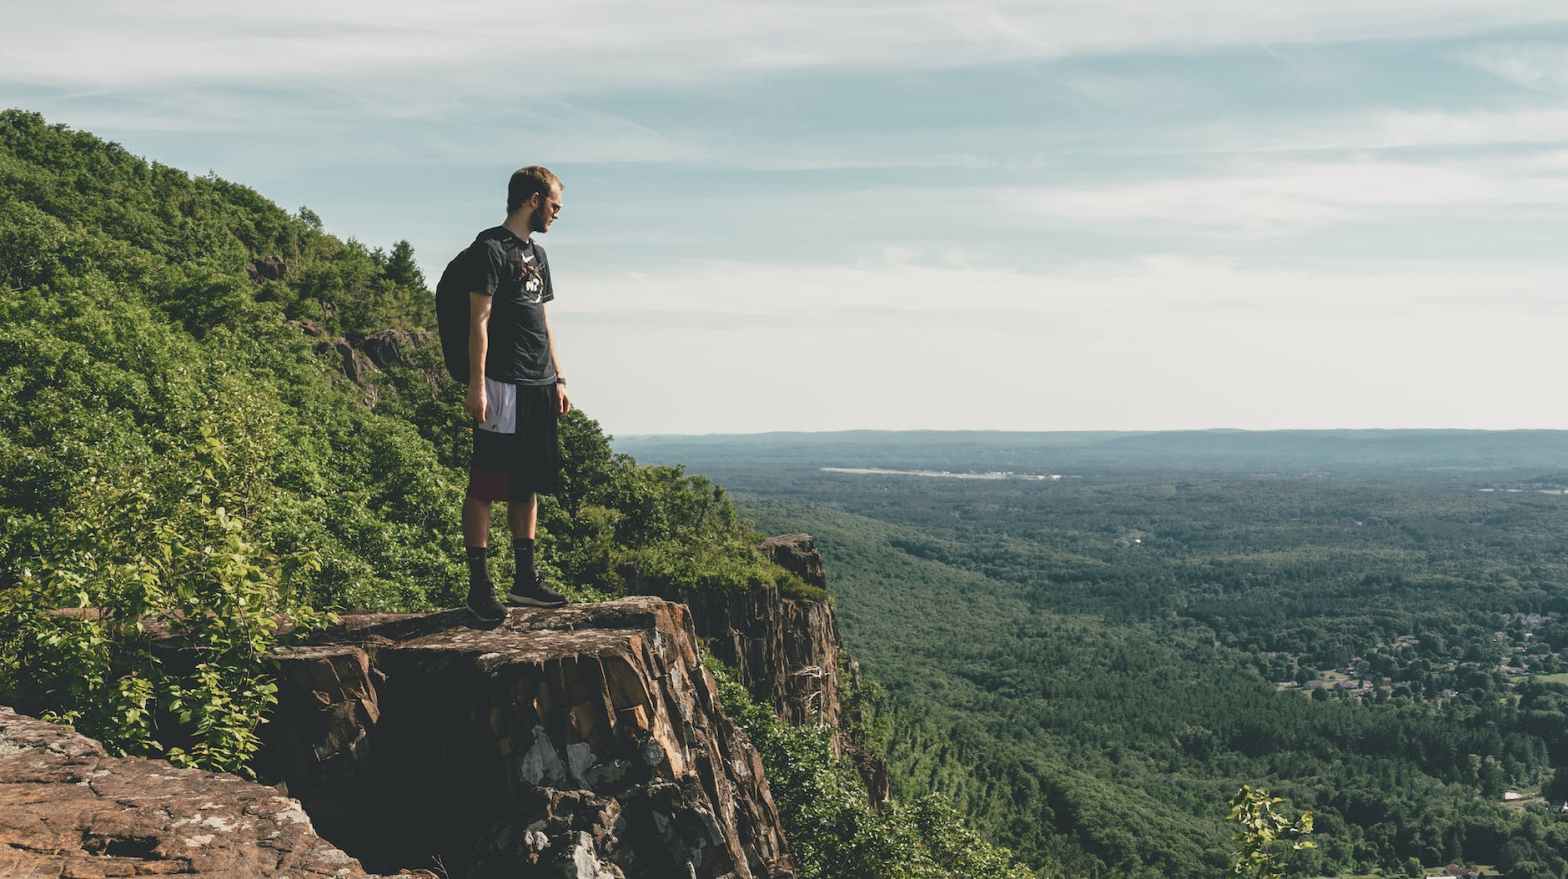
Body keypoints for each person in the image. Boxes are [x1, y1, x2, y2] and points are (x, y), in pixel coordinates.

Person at [456, 165, 571, 622]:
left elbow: (543, 321)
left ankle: (525, 582)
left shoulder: (538, 255)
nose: (557, 214)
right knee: (485, 484)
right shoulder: (490, 249)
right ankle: (479, 586)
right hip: (502, 384)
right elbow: (478, 322)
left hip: (539, 383)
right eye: (554, 205)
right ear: (532, 200)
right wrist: (476, 384)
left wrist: (559, 377)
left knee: (529, 484)